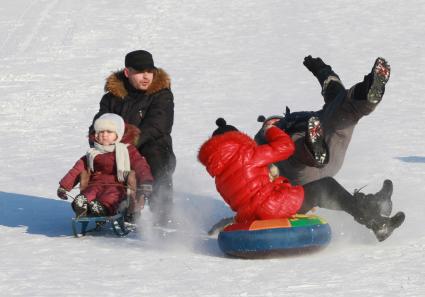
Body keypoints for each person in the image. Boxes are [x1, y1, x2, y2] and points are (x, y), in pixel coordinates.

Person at [200, 118, 405, 242]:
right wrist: (270, 129)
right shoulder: (247, 154)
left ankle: (377, 205)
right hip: (274, 206)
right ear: (236, 139)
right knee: (326, 186)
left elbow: (250, 194)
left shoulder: (219, 176)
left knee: (324, 195)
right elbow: (286, 147)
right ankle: (378, 222)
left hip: (254, 215)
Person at [254, 56, 391, 185]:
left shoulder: (301, 119)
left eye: (273, 121)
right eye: (270, 123)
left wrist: (322, 70)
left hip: (328, 153)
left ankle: (368, 94)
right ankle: (312, 150)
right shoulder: (263, 139)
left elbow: (335, 96)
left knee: (343, 111)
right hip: (302, 174)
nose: (273, 123)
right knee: (291, 145)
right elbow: (254, 159)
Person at [90, 50, 175, 222]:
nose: (146, 77)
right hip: (118, 150)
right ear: (128, 72)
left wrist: (129, 142)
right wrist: (97, 137)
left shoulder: (161, 94)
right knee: (99, 158)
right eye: (140, 72)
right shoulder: (111, 98)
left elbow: (158, 125)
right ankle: (106, 203)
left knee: (155, 154)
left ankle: (163, 211)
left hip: (154, 152)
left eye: (150, 71)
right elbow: (101, 121)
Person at [57, 113, 154, 218]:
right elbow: (76, 170)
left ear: (118, 135)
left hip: (118, 186)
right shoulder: (92, 153)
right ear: (96, 135)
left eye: (109, 132)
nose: (104, 135)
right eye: (101, 132)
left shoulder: (127, 151)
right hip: (95, 184)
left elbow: (141, 166)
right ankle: (81, 205)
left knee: (111, 197)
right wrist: (64, 187)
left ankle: (101, 208)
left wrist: (146, 181)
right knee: (88, 194)